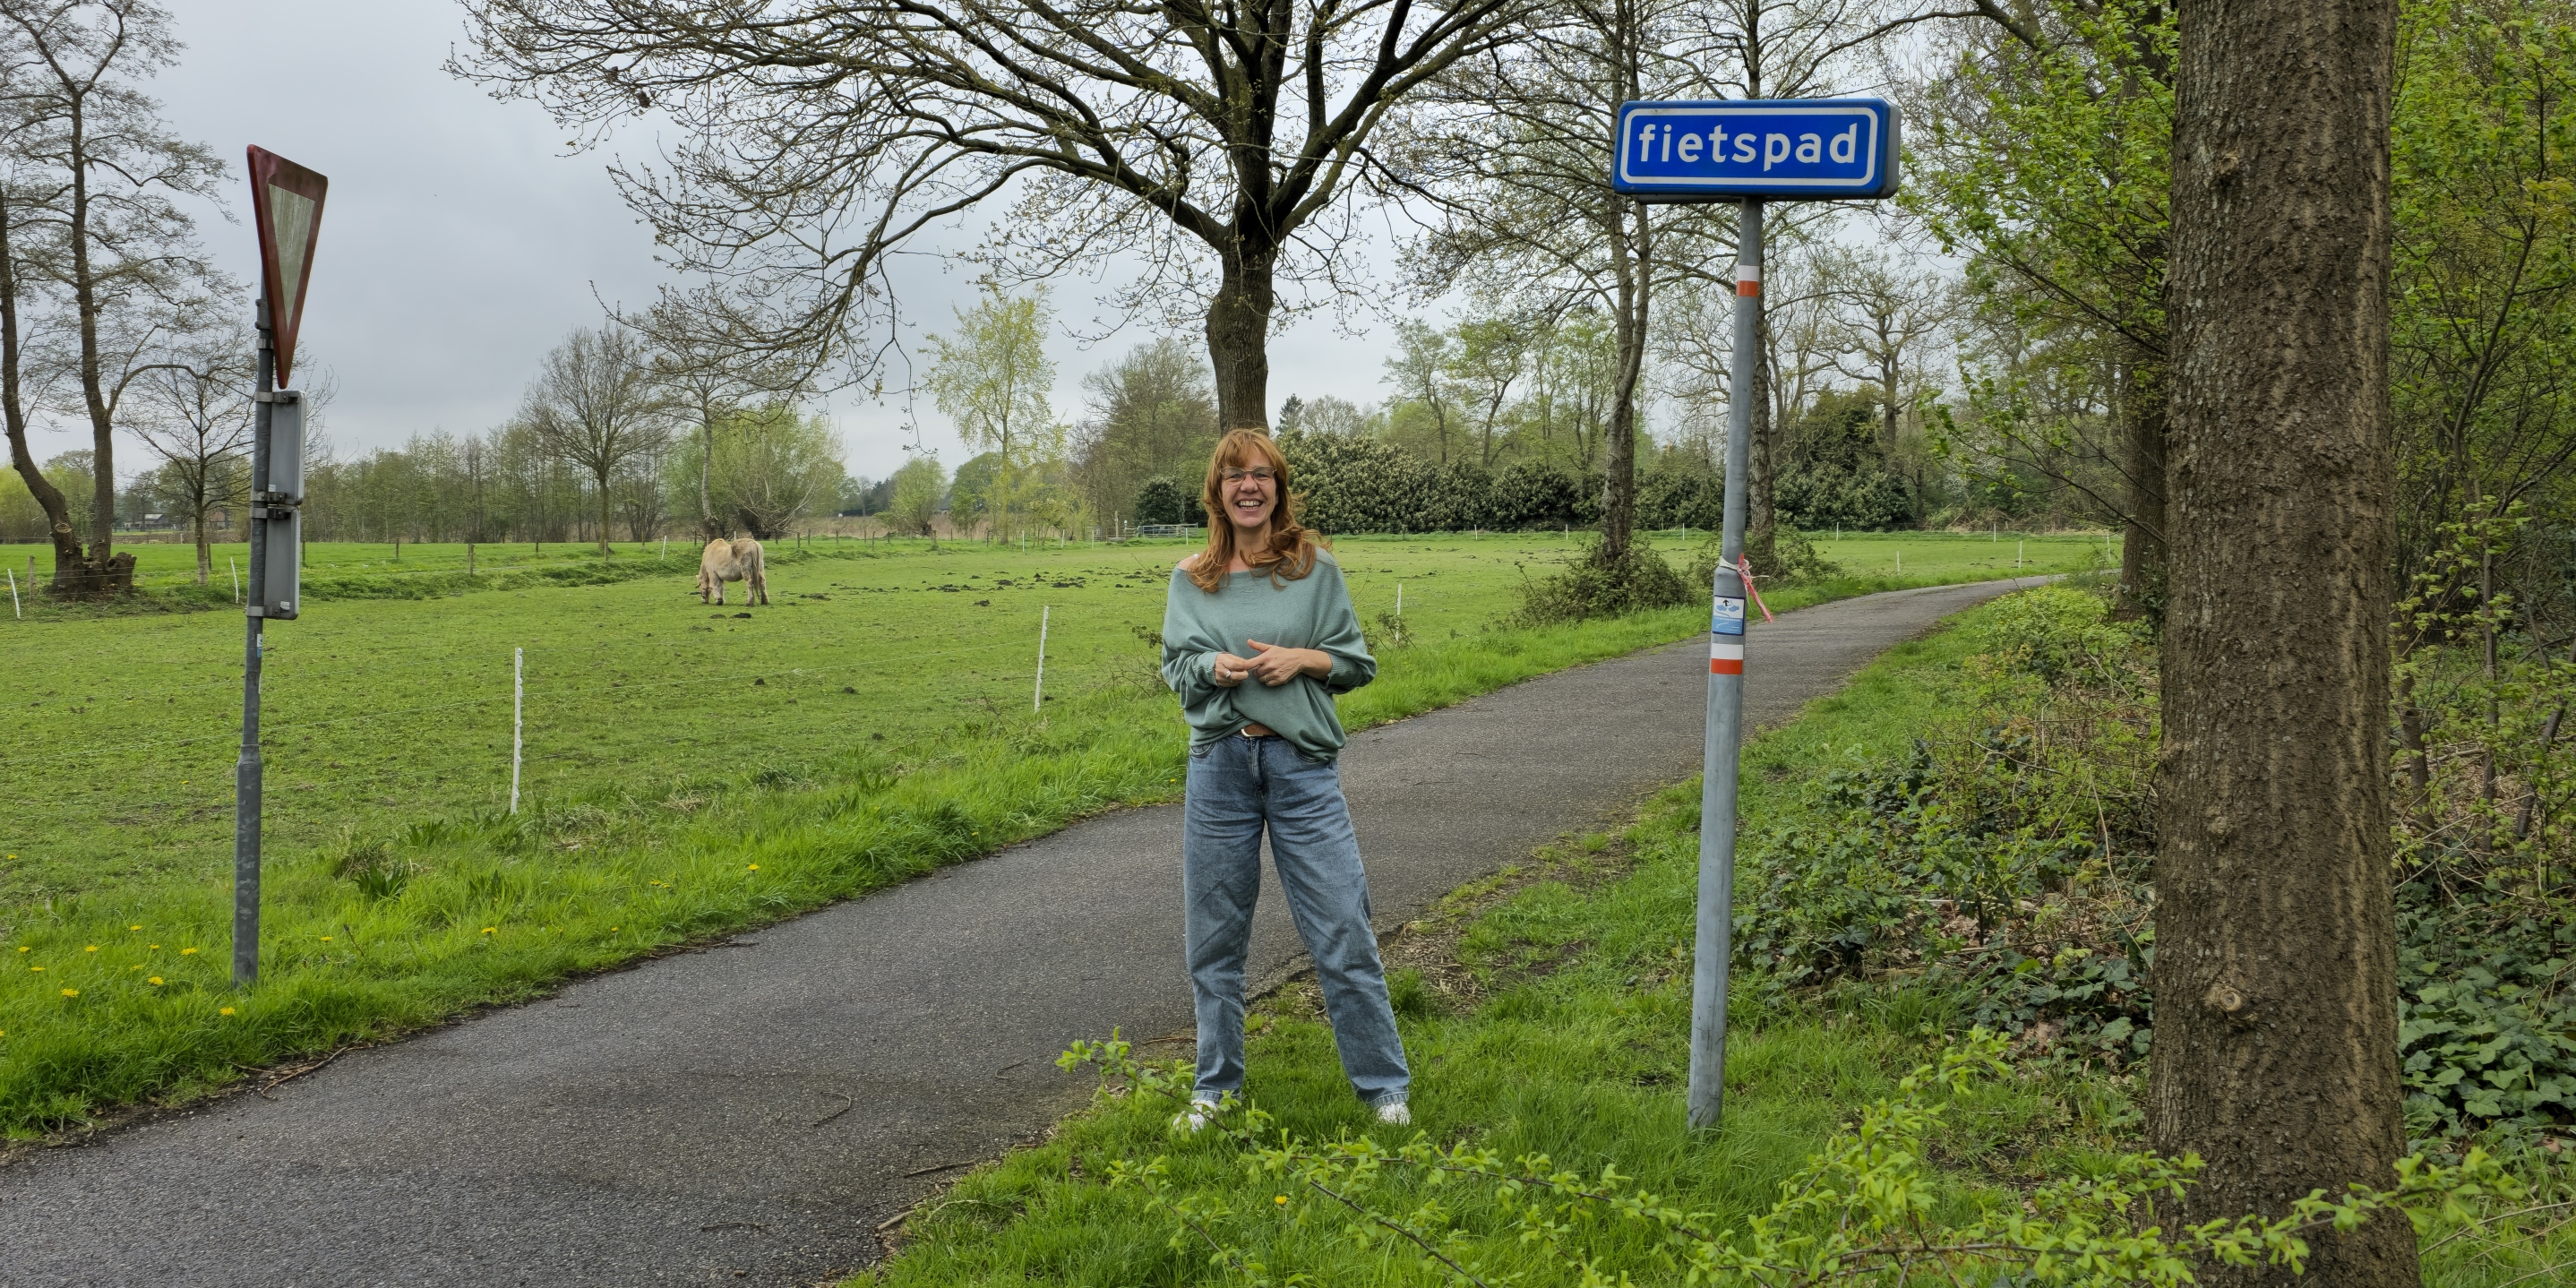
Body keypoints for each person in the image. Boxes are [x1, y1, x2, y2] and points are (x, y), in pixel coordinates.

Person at [1158, 428, 1410, 1130]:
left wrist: (1302, 658)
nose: (1249, 486)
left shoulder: (1313, 570)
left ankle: (1384, 1089)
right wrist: (1210, 667)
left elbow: (1356, 664)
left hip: (1302, 769)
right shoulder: (1191, 579)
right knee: (1214, 941)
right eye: (1235, 475)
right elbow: (1176, 670)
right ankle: (1215, 1091)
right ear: (1218, 491)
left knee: (1342, 928)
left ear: (1278, 487)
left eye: (1262, 475)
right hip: (1220, 770)